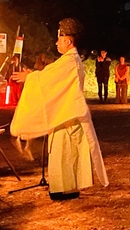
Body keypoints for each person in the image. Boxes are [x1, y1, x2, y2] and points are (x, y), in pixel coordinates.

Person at [10, 18, 108, 200]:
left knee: (65, 152)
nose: (56, 43)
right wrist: (32, 76)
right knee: (63, 152)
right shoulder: (68, 61)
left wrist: (30, 78)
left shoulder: (70, 61)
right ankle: (65, 188)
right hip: (65, 113)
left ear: (68, 41)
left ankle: (66, 189)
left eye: (59, 39)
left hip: (68, 115)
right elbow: (50, 76)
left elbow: (48, 79)